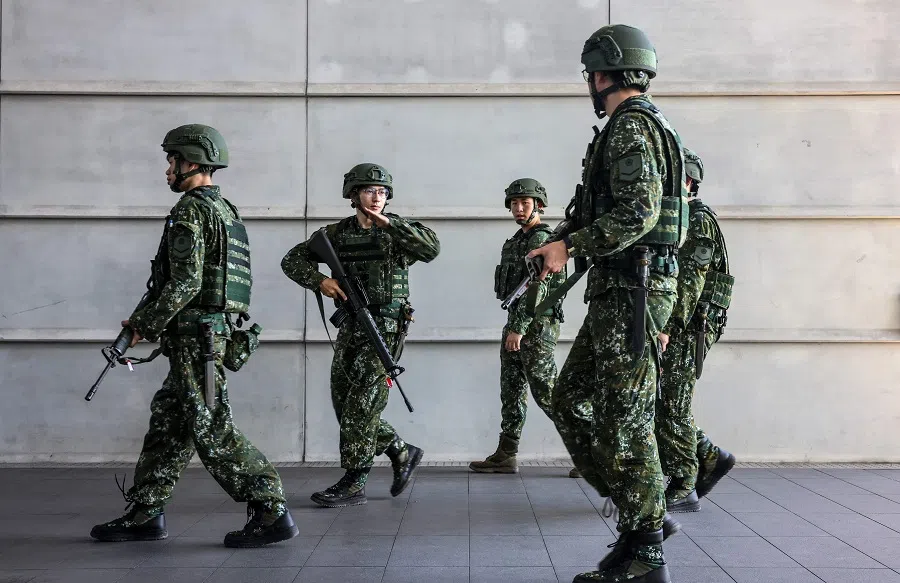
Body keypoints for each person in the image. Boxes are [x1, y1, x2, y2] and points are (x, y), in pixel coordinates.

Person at [528, 24, 689, 583]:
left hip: (633, 291)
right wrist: (561, 237)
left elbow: (638, 214)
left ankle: (645, 547)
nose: (589, 85)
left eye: (590, 76)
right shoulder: (641, 127)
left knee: (627, 419)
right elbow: (606, 208)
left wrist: (568, 245)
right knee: (570, 397)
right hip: (622, 290)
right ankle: (643, 518)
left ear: (602, 75)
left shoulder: (629, 130)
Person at [91, 124, 299, 548]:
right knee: (168, 423)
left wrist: (143, 325)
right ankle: (146, 511)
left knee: (210, 425)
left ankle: (270, 507)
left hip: (195, 336)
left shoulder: (189, 210)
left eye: (171, 160)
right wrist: (145, 321)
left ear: (191, 161)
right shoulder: (225, 209)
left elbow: (185, 282)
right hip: (208, 332)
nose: (167, 169)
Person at [281, 163, 440, 507]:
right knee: (344, 399)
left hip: (385, 327)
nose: (376, 197)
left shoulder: (399, 232)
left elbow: (431, 249)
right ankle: (400, 450)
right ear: (353, 195)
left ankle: (354, 480)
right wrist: (320, 281)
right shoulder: (336, 234)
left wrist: (391, 224)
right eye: (369, 191)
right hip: (352, 324)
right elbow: (292, 260)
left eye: (382, 192)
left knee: (362, 403)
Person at [469, 178, 576, 476]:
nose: (518, 208)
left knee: (548, 393)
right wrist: (514, 326)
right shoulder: (518, 240)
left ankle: (591, 452)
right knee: (512, 389)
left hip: (536, 326)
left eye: (525, 203)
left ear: (538, 205)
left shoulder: (543, 240)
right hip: (517, 323)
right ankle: (506, 453)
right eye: (514, 203)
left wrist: (518, 327)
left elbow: (537, 288)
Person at [656, 147, 736, 512]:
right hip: (682, 322)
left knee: (674, 404)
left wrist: (668, 326)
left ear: (687, 179)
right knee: (665, 402)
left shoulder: (699, 220)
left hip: (691, 325)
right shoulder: (680, 217)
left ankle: (684, 483)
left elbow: (690, 281)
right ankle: (709, 454)